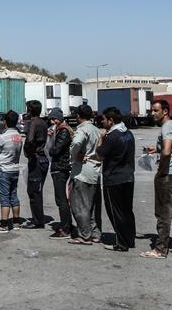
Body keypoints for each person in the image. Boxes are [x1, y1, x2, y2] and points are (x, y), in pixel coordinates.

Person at [141, 100, 172, 259]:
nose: (152, 113)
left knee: (163, 213)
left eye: (156, 111)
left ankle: (160, 249)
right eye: (152, 111)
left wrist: (161, 171)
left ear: (165, 111)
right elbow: (167, 148)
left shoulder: (167, 127)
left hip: (168, 175)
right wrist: (155, 149)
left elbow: (167, 152)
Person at [96, 107, 136, 251]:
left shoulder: (112, 136)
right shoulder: (128, 133)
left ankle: (122, 243)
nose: (102, 121)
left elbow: (100, 155)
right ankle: (129, 239)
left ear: (111, 120)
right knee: (127, 210)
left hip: (113, 179)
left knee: (115, 211)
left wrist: (100, 139)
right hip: (128, 177)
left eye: (104, 119)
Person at [68, 104, 102, 244]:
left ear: (78, 116)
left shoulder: (82, 129)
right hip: (95, 170)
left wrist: (76, 156)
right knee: (92, 206)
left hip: (82, 172)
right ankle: (95, 233)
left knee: (80, 205)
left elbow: (76, 143)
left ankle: (84, 235)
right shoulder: (96, 130)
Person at [0, 110, 23, 233]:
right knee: (13, 196)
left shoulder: (3, 137)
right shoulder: (18, 136)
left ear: (5, 122)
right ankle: (16, 221)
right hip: (15, 169)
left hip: (4, 170)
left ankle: (3, 224)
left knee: (4, 198)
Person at [22, 100, 50, 230]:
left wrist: (27, 152)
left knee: (34, 191)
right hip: (42, 159)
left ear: (30, 111)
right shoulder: (43, 122)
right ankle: (38, 218)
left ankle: (37, 221)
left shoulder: (34, 123)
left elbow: (30, 140)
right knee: (36, 189)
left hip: (36, 159)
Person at [46, 108, 73, 238]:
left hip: (60, 167)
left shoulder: (63, 131)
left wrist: (51, 146)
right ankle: (67, 225)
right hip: (61, 167)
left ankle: (65, 228)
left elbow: (55, 150)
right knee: (61, 199)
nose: (52, 121)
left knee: (61, 199)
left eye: (54, 119)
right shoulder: (61, 130)